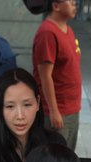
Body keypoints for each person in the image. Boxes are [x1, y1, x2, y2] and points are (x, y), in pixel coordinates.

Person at [32, 0, 82, 151]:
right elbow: (44, 75)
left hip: (72, 108)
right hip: (58, 111)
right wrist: (53, 111)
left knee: (67, 160)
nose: (75, 4)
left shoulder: (68, 30)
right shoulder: (48, 33)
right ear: (56, 6)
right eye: (71, 1)